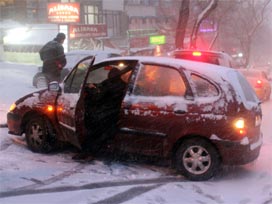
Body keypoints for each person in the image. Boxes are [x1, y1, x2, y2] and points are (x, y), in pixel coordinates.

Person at [72, 68, 128, 162]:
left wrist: (89, 89)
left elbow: (97, 97)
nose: (108, 76)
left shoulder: (111, 85)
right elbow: (102, 88)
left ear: (111, 76)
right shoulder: (121, 84)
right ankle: (88, 152)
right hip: (111, 113)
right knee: (96, 133)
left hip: (104, 113)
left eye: (110, 74)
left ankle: (89, 152)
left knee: (93, 133)